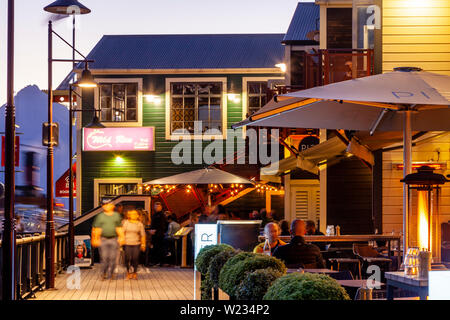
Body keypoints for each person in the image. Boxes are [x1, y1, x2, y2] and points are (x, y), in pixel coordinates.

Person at [91, 199, 124, 280]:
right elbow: (96, 229)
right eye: (104, 205)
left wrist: (122, 237)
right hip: (103, 239)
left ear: (112, 206)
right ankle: (104, 273)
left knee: (113, 258)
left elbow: (119, 227)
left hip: (114, 239)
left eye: (108, 204)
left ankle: (112, 272)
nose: (106, 206)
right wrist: (95, 239)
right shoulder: (100, 216)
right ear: (102, 206)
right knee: (104, 257)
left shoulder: (116, 216)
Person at [122, 209, 146, 280]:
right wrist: (121, 240)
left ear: (138, 215)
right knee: (127, 258)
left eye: (135, 214)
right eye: (132, 214)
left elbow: (143, 235)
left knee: (135, 258)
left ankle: (135, 272)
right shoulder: (126, 223)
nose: (133, 215)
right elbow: (122, 232)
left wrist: (143, 244)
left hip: (136, 243)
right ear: (129, 215)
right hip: (127, 243)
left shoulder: (139, 224)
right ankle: (128, 272)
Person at [149, 201, 168, 267]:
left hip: (159, 234)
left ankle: (159, 262)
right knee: (155, 248)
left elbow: (162, 225)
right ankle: (156, 261)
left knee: (158, 248)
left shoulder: (161, 215)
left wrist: (155, 230)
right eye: (156, 206)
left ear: (161, 207)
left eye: (158, 206)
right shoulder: (155, 215)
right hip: (155, 234)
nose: (157, 208)